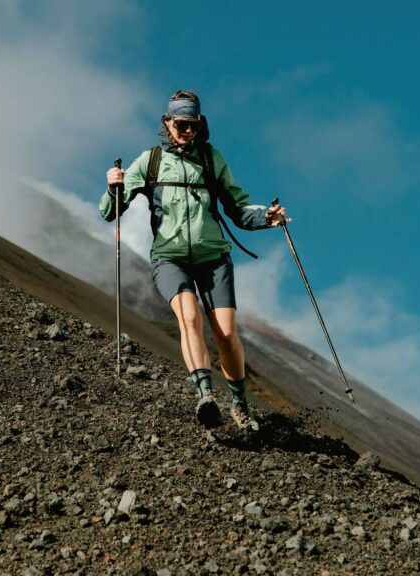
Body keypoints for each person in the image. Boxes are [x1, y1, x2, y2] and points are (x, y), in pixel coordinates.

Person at [99, 90, 289, 430]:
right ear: (167, 123)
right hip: (169, 259)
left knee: (227, 334)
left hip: (214, 258)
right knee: (189, 318)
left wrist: (267, 217)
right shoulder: (151, 161)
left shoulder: (212, 160)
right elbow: (111, 210)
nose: (188, 132)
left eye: (193, 125)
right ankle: (206, 396)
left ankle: (240, 404)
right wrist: (113, 186)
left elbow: (237, 209)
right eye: (182, 125)